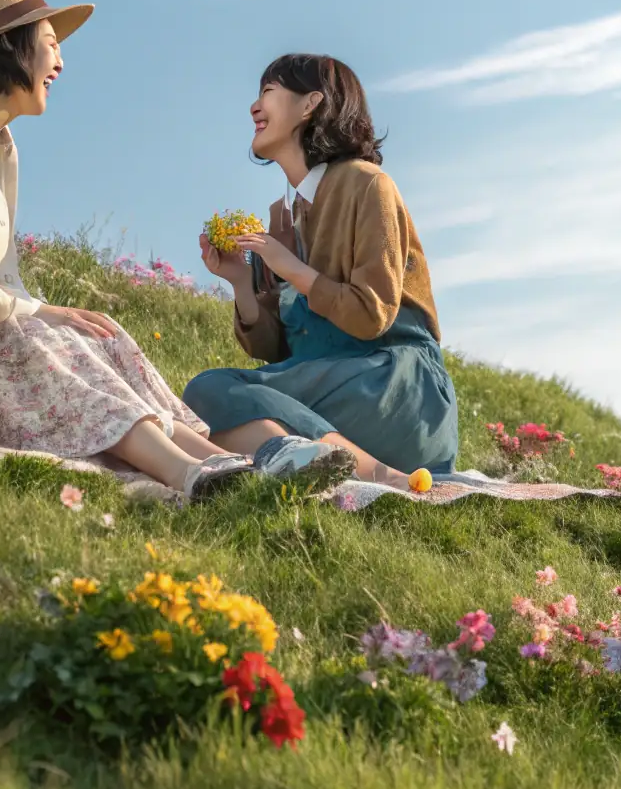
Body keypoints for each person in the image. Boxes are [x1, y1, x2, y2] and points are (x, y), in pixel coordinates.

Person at [0, 0, 349, 501]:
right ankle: (188, 474)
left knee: (99, 333)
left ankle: (234, 464)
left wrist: (52, 315)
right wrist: (36, 316)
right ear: (10, 48)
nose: (60, 63)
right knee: (36, 336)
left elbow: (4, 278)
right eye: (51, 45)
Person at [183, 53, 459, 489]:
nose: (254, 108)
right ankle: (306, 458)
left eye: (268, 93)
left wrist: (291, 268)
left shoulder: (368, 184)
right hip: (331, 389)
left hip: (394, 387)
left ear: (310, 104)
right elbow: (278, 351)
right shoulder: (282, 215)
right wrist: (241, 282)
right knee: (201, 401)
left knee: (211, 396)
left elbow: (372, 316)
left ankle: (375, 474)